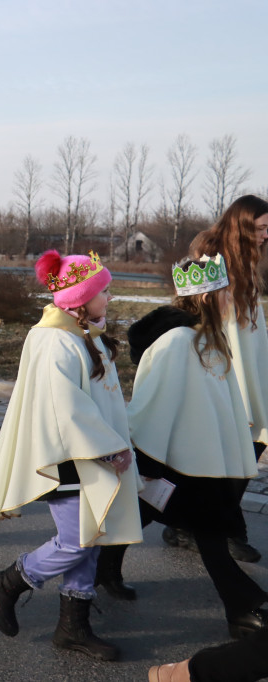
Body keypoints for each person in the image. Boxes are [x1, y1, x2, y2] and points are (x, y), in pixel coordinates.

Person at [0, 250, 142, 661]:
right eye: (102, 291)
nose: (109, 297)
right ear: (79, 299)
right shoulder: (56, 338)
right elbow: (66, 408)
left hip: (89, 454)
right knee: (75, 542)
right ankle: (9, 581)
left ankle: (73, 627)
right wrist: (109, 448)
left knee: (91, 537)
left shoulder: (83, 331)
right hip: (68, 458)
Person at [97, 255, 267, 639]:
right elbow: (153, 403)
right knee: (209, 531)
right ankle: (241, 607)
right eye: (225, 293)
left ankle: (102, 565)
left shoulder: (206, 336)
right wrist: (149, 461)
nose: (231, 299)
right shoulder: (177, 341)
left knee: (144, 513)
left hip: (200, 456)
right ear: (208, 297)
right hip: (178, 459)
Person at [172, 195, 268, 564]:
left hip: (251, 358)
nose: (264, 235)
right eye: (259, 228)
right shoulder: (210, 251)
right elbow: (197, 311)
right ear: (242, 225)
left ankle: (193, 523)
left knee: (252, 442)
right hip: (225, 360)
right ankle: (220, 528)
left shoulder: (250, 257)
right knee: (235, 448)